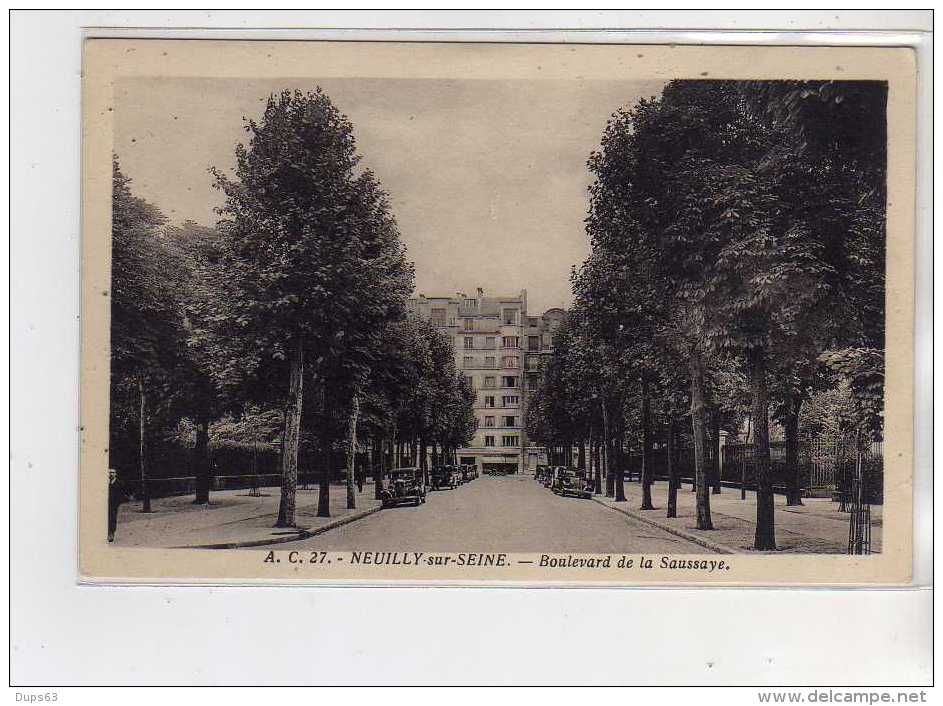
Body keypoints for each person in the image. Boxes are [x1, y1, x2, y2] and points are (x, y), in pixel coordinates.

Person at [107, 468, 128, 543]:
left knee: (112, 517)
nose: (110, 474)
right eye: (109, 472)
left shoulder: (119, 483)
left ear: (115, 474)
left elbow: (121, 494)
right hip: (106, 503)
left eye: (112, 472)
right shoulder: (105, 483)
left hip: (114, 504)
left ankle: (111, 533)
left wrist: (117, 503)